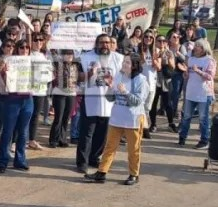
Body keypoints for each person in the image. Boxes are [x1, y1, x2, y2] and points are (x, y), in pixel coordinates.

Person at [86, 54, 151, 186]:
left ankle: (134, 174)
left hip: (133, 119)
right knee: (109, 147)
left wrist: (125, 92)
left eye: (127, 62)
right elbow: (111, 99)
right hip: (116, 118)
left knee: (133, 149)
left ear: (134, 65)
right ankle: (101, 172)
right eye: (124, 62)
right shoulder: (119, 76)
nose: (124, 64)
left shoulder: (141, 80)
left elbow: (137, 102)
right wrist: (109, 88)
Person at [76, 33, 124, 173]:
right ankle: (82, 162)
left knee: (103, 134)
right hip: (91, 100)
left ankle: (94, 158)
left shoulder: (118, 58)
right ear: (96, 44)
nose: (105, 45)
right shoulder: (86, 57)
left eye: (108, 43)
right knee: (87, 133)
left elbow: (124, 76)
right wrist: (90, 74)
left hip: (109, 102)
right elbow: (77, 77)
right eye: (102, 42)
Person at [0, 40, 35, 172]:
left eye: (27, 48)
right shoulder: (10, 61)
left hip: (27, 100)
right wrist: (4, 72)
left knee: (23, 132)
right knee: (8, 131)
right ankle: (1, 161)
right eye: (22, 48)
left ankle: (20, 160)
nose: (24, 50)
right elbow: (2, 82)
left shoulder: (33, 62)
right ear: (17, 49)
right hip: (12, 100)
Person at [177, 39, 216, 149]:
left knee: (203, 118)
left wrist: (198, 71)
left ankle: (204, 140)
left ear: (204, 48)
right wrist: (185, 73)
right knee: (186, 116)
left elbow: (210, 77)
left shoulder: (209, 60)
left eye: (198, 46)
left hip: (204, 93)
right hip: (191, 92)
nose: (195, 48)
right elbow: (188, 76)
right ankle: (182, 137)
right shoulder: (191, 59)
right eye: (196, 46)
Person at [49, 50, 80, 148]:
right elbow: (53, 54)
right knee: (58, 117)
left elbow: (78, 79)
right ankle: (53, 139)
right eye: (67, 54)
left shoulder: (76, 66)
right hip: (59, 93)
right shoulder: (58, 64)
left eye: (71, 54)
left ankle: (62, 139)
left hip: (71, 93)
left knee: (66, 118)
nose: (69, 56)